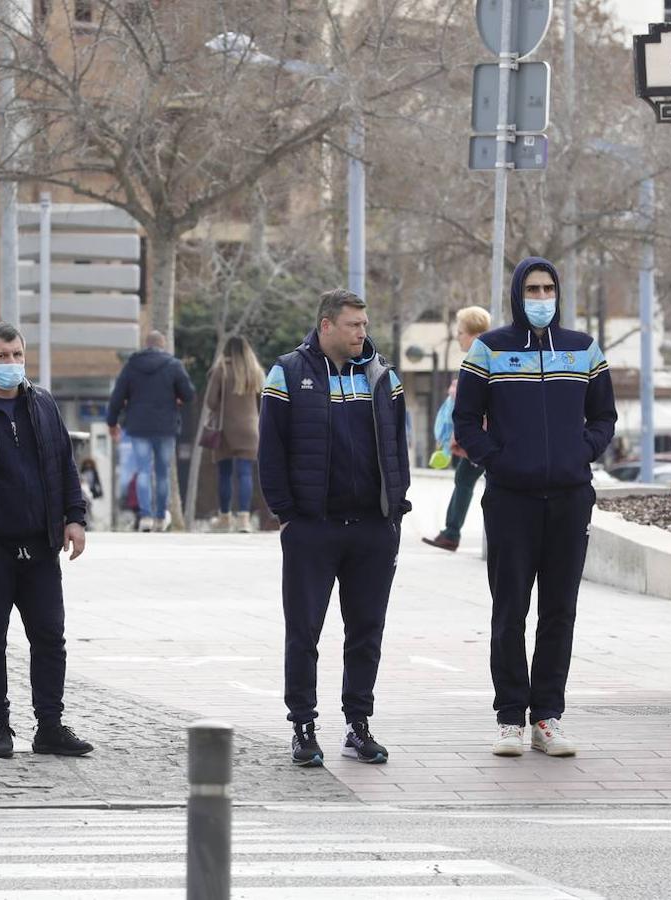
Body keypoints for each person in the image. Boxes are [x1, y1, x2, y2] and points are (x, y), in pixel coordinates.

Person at [453, 257, 617, 759]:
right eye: (532, 289)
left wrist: (580, 452)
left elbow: (604, 415)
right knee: (510, 611)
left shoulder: (583, 349)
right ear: (516, 294)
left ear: (558, 293)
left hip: (569, 499)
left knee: (559, 612)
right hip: (510, 501)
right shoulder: (490, 348)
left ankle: (548, 717)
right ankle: (509, 720)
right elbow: (465, 418)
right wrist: (498, 462)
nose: (541, 298)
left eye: (548, 289)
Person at [258, 289, 411, 768]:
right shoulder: (288, 372)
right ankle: (303, 726)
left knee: (366, 631)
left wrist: (395, 510)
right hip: (312, 528)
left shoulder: (382, 374)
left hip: (372, 527)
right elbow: (270, 449)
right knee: (304, 631)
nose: (362, 333)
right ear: (326, 325)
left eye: (364, 324)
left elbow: (398, 445)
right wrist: (288, 513)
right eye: (353, 325)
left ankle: (358, 724)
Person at [0, 322, 95, 760]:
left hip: (39, 546)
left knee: (50, 637)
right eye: (2, 356)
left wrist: (75, 518)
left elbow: (63, 465)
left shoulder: (43, 404)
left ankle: (49, 725)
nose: (12, 364)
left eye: (17, 355)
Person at [106, 331, 195, 532]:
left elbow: (117, 396)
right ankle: (161, 517)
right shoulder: (173, 365)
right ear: (163, 345)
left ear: (145, 345)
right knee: (163, 473)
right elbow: (189, 394)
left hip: (138, 427)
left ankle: (145, 517)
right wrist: (178, 399)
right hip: (166, 427)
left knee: (143, 470)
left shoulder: (132, 366)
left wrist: (112, 423)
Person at [422, 305, 493, 552]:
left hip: (483, 437)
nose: (458, 337)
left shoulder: (481, 357)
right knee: (466, 478)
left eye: (461, 332)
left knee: (467, 479)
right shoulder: (484, 356)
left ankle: (452, 533)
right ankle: (451, 532)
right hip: (484, 435)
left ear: (473, 334)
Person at [205, 335, 263, 533]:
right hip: (250, 429)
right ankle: (244, 520)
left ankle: (225, 518)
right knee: (245, 473)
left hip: (226, 430)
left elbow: (211, 402)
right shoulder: (255, 371)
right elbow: (263, 401)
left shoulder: (221, 370)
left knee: (225, 473)